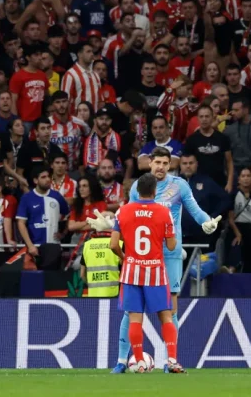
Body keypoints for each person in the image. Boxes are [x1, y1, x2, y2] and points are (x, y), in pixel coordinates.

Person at [89, 147, 220, 373]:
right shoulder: (141, 186)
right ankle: (121, 360)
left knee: (171, 309)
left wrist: (206, 222)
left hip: (169, 255)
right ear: (150, 163)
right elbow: (127, 214)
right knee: (131, 311)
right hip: (142, 256)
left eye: (164, 163)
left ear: (170, 166)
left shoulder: (179, 185)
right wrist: (112, 224)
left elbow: (194, 209)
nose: (160, 167)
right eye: (157, 162)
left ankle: (171, 361)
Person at [108, 172, 184, 374]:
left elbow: (113, 244)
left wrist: (126, 258)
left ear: (137, 191)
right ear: (154, 191)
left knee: (134, 319)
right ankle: (173, 360)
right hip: (155, 271)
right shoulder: (164, 212)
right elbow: (171, 244)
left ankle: (139, 363)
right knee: (167, 317)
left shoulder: (122, 211)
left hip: (132, 272)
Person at [16, 166, 70, 270]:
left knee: (52, 282)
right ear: (36, 180)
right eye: (43, 177)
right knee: (34, 282)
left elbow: (69, 216)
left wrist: (63, 233)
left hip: (53, 247)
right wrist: (30, 245)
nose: (48, 179)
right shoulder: (27, 198)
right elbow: (21, 223)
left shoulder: (57, 196)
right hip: (34, 247)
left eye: (48, 177)